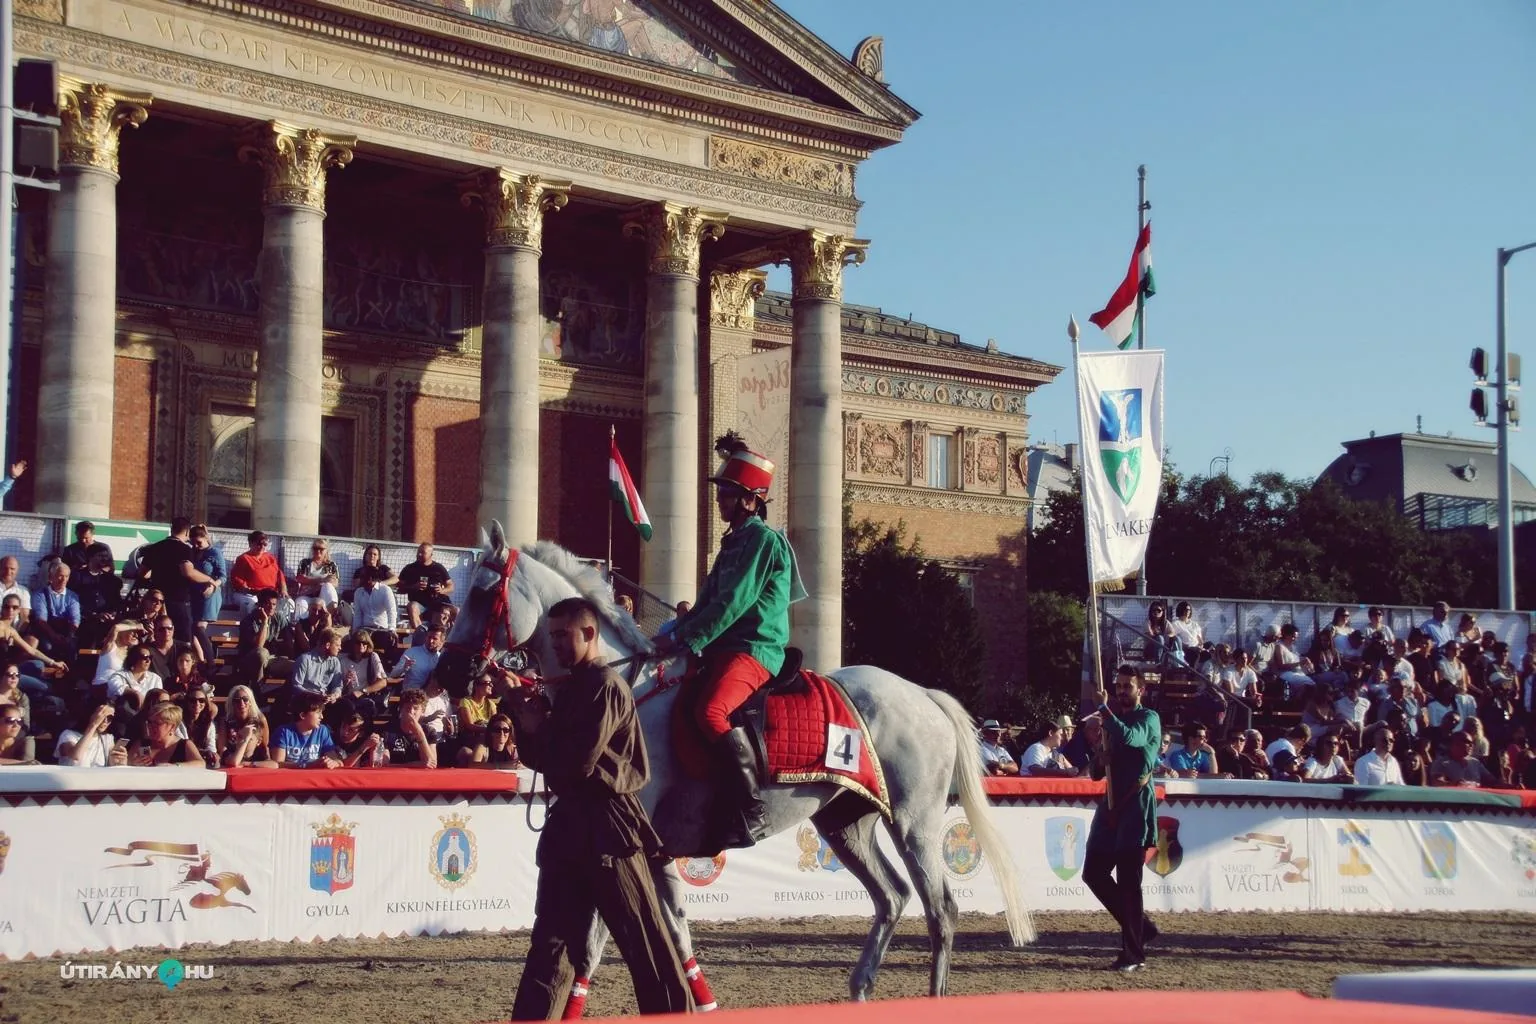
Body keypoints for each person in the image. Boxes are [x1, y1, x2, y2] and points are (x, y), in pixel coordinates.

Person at [504, 596, 691, 1018]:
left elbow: (575, 763)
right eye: (551, 637)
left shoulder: (605, 685)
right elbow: (547, 760)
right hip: (572, 827)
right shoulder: (573, 688)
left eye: (563, 636)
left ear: (589, 633)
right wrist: (524, 719)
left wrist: (536, 726)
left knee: (647, 946)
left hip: (609, 829)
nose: (556, 646)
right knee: (551, 945)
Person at [654, 436, 803, 848]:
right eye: (721, 492)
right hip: (721, 649)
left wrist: (684, 638)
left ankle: (752, 809)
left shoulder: (762, 540)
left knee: (710, 711)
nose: (719, 499)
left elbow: (735, 603)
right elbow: (712, 603)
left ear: (752, 501)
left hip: (754, 649)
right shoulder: (732, 542)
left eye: (727, 493)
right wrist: (680, 624)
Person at [1082, 665, 1162, 973]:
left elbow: (1132, 739)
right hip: (1110, 809)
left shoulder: (1148, 719)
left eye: (1127, 686)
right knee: (1094, 872)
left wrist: (1104, 709)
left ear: (1140, 689)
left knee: (1129, 883)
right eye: (1118, 685)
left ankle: (1134, 952)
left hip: (1135, 807)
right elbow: (1096, 773)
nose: (1120, 691)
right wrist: (1100, 759)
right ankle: (1141, 927)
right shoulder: (1111, 723)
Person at [138, 517, 216, 663]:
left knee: (159, 638)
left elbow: (143, 573)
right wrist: (209, 579)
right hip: (178, 601)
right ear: (187, 531)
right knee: (183, 640)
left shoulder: (155, 547)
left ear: (172, 528)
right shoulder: (185, 549)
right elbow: (188, 572)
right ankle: (183, 672)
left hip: (158, 602)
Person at [273, 693, 342, 769]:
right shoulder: (284, 732)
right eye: (318, 713)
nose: (322, 717)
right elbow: (278, 764)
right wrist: (307, 766)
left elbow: (335, 759)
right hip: (290, 777)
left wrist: (333, 763)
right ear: (303, 715)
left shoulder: (322, 730)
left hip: (313, 778)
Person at [30, 561, 81, 660]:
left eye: (66, 576)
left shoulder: (72, 596)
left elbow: (75, 618)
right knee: (47, 647)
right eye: (60, 576)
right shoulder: (39, 595)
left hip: (66, 631)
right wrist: (53, 635)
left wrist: (70, 635)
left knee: (72, 648)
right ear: (50, 577)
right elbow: (41, 619)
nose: (63, 580)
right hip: (46, 630)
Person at [126, 703, 205, 766]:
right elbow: (126, 765)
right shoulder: (141, 744)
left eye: (157, 723)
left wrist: (175, 766)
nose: (151, 726)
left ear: (172, 727)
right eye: (150, 722)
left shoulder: (184, 745)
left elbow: (201, 764)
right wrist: (133, 764)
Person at [229, 531, 287, 617]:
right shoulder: (243, 559)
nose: (262, 547)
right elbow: (237, 582)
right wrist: (253, 591)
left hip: (270, 593)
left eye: (265, 544)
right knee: (252, 603)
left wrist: (283, 589)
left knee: (287, 603)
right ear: (251, 543)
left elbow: (280, 575)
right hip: (251, 594)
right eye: (259, 544)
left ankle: (282, 627)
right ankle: (255, 627)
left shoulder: (271, 558)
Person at [398, 542, 453, 628]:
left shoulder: (438, 568)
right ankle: (420, 635)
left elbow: (450, 586)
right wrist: (414, 587)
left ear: (431, 555)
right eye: (418, 552)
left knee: (456, 611)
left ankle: (448, 638)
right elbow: (399, 588)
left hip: (437, 603)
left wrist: (442, 590)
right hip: (419, 605)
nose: (419, 554)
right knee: (412, 606)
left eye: (423, 552)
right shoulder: (409, 569)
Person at [219, 685, 274, 768]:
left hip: (252, 759)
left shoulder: (260, 719)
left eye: (245, 699)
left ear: (251, 701)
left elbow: (264, 746)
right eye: (237, 700)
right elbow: (222, 749)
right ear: (232, 703)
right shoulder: (225, 721)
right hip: (230, 759)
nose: (241, 703)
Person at [382, 688, 437, 767]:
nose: (411, 712)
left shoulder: (429, 731)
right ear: (401, 709)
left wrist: (419, 732)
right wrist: (413, 765)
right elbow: (384, 765)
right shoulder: (387, 731)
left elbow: (432, 764)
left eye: (415, 708)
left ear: (422, 711)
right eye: (408, 708)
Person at [56, 699, 119, 767]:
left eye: (109, 718)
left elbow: (111, 767)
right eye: (102, 716)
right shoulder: (68, 735)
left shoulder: (108, 739)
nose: (105, 721)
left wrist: (119, 762)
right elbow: (75, 755)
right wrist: (93, 725)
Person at [293, 538, 341, 620]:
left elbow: (335, 582)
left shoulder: (331, 565)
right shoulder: (305, 563)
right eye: (315, 548)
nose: (318, 551)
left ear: (326, 550)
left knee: (328, 586)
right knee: (300, 603)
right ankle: (301, 627)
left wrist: (318, 584)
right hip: (306, 595)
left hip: (322, 596)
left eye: (321, 549)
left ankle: (333, 614)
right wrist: (322, 579)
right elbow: (300, 578)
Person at [189, 524, 226, 631]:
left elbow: (223, 576)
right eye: (193, 543)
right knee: (193, 628)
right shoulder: (192, 552)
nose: (196, 545)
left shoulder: (215, 552)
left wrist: (213, 586)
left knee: (200, 627)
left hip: (209, 594)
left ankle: (206, 648)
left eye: (199, 542)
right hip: (194, 595)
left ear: (206, 538)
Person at [1430, 730, 1497, 788]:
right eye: (1467, 742)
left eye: (1472, 743)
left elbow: (1492, 781)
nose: (1471, 745)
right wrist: (1455, 784)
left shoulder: (1475, 763)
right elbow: (1437, 783)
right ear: (1454, 743)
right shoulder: (1441, 762)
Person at [350, 565, 398, 632]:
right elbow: (357, 614)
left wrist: (391, 629)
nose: (360, 580)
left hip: (382, 629)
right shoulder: (358, 592)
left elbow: (391, 611)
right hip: (365, 629)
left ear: (370, 579)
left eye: (362, 577)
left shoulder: (385, 590)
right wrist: (355, 631)